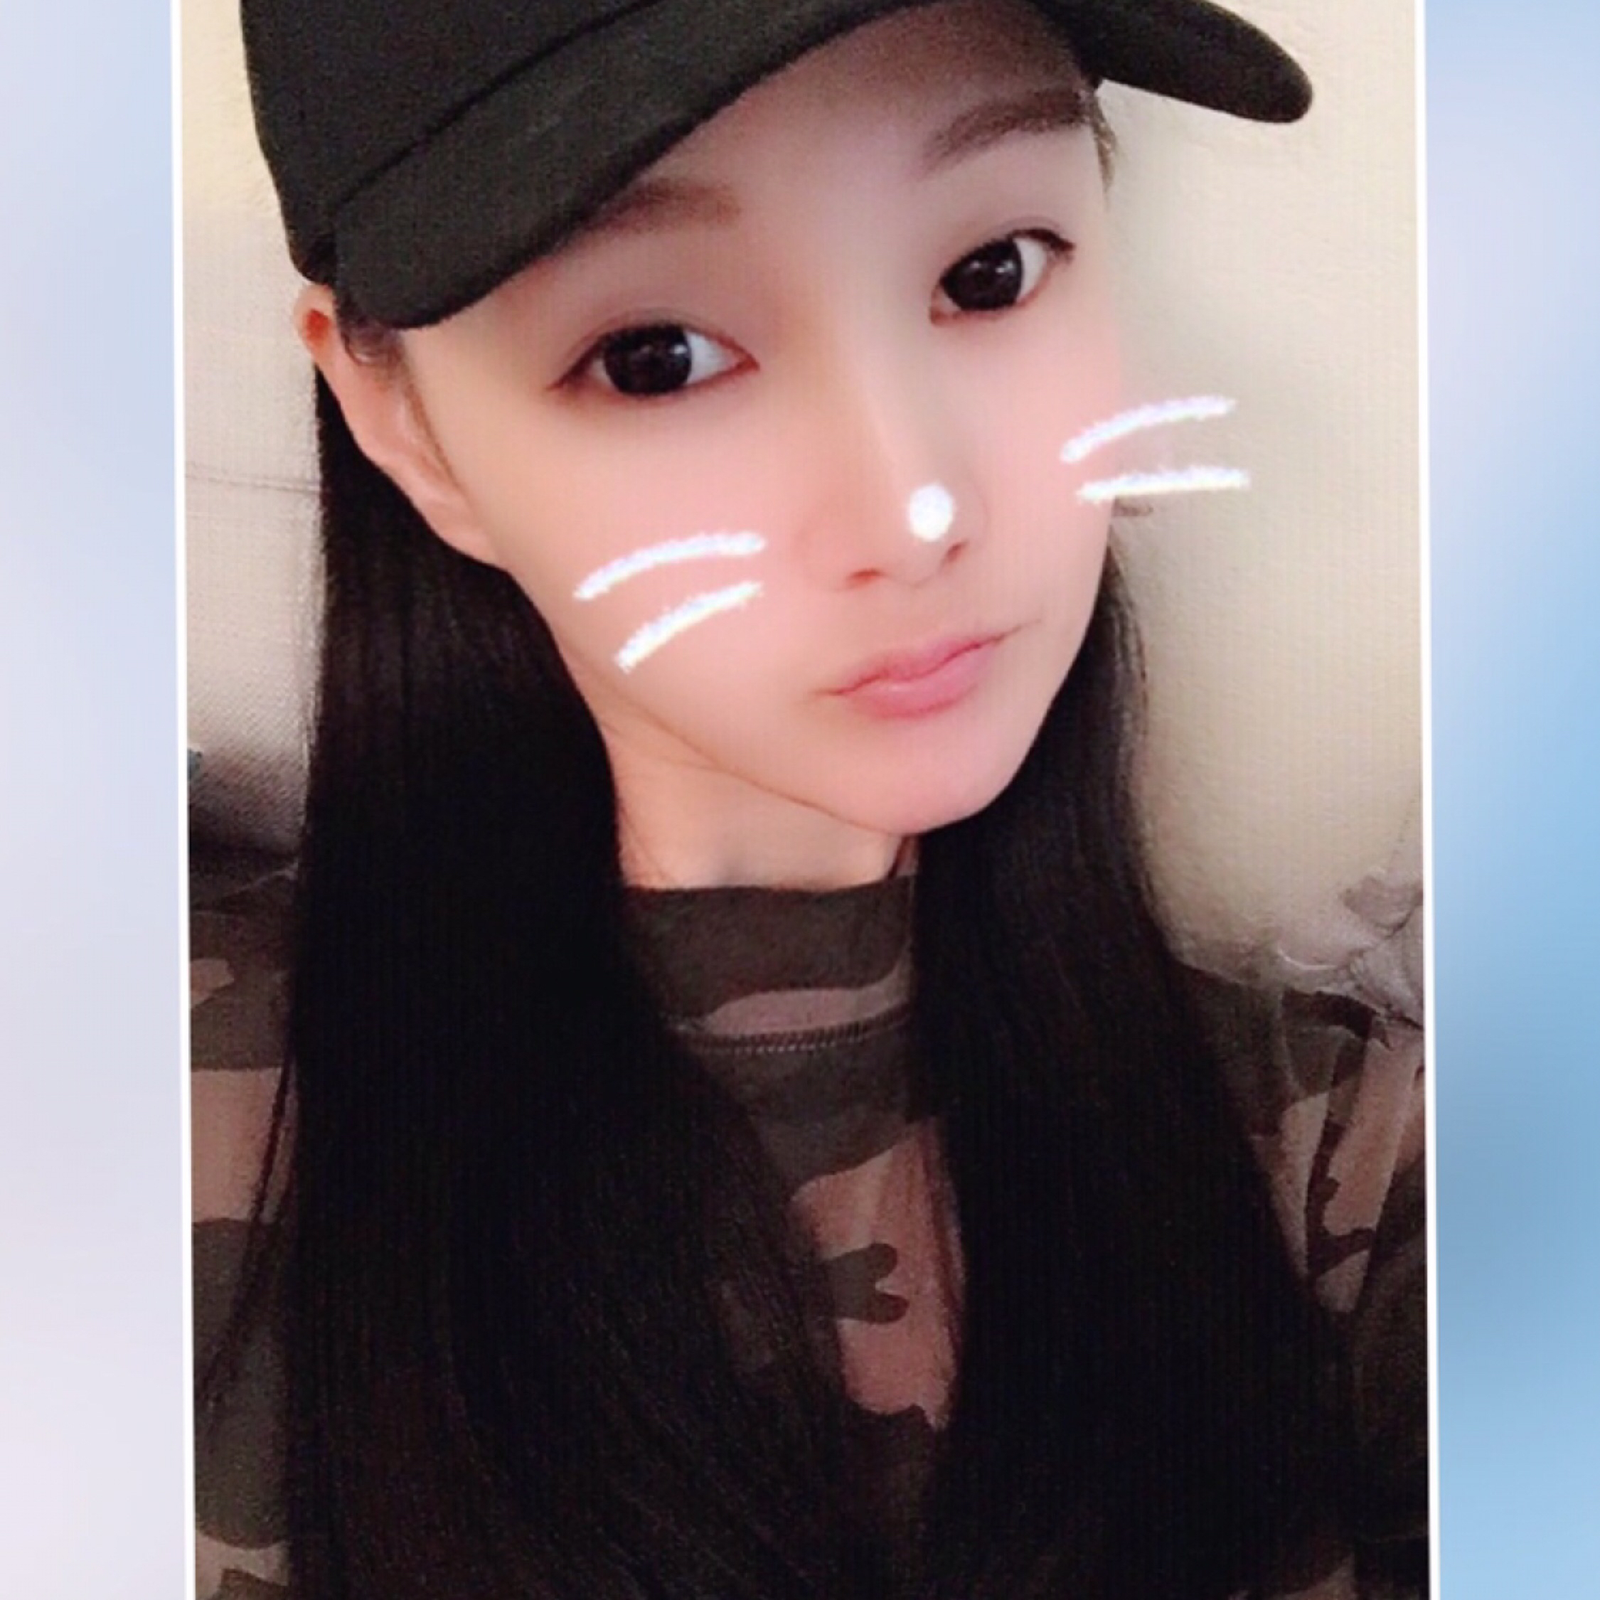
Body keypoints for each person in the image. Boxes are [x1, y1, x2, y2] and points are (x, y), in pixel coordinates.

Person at [191, 1, 1427, 1596]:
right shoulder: (147, 1126)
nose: (918, 510)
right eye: (656, 358)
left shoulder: (1347, 1172)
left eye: (993, 271)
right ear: (405, 426)